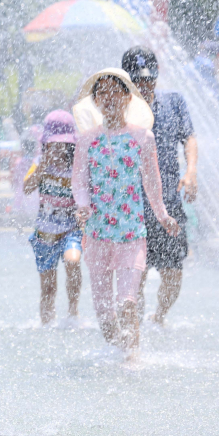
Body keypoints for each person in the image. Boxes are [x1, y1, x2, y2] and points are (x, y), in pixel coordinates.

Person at [71, 69, 179, 359]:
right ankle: (116, 353)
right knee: (105, 314)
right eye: (101, 93)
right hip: (97, 235)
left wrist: (163, 215)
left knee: (128, 303)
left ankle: (133, 360)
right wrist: (82, 206)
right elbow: (79, 181)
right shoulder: (87, 140)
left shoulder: (142, 137)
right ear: (94, 100)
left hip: (132, 234)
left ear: (126, 97)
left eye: (113, 91)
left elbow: (152, 183)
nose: (107, 97)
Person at [121, 47, 198, 325]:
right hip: (133, 207)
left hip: (169, 204)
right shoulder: (120, 111)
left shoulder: (174, 101)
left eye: (149, 78)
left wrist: (191, 171)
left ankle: (160, 317)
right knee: (136, 273)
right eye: (138, 80)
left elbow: (189, 138)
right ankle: (135, 326)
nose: (145, 84)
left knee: (173, 271)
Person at [22, 110, 82, 326]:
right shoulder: (39, 162)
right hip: (44, 233)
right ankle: (46, 323)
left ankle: (73, 313)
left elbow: (86, 193)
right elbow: (27, 188)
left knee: (72, 260)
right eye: (54, 144)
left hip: (70, 229)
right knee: (48, 287)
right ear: (46, 144)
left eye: (63, 145)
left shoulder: (77, 164)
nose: (59, 149)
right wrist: (42, 165)